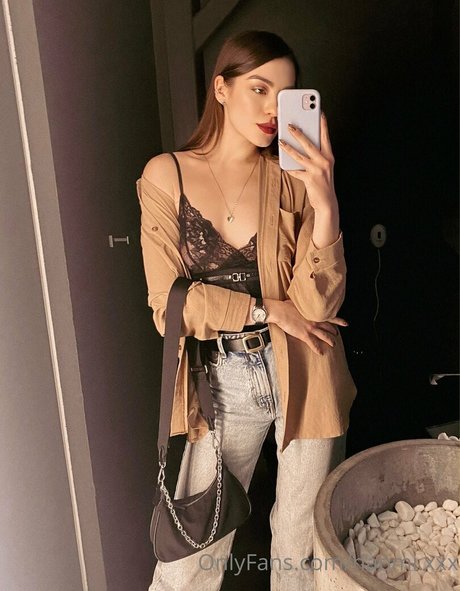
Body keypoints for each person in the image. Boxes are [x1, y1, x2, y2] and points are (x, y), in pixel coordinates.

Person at [136, 29, 357, 591]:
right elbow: (169, 307)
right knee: (189, 560)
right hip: (220, 381)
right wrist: (269, 309)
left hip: (307, 369)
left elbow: (317, 304)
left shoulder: (290, 180)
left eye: (284, 95)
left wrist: (325, 199)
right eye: (259, 89)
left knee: (302, 549)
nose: (271, 110)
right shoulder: (167, 174)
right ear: (221, 88)